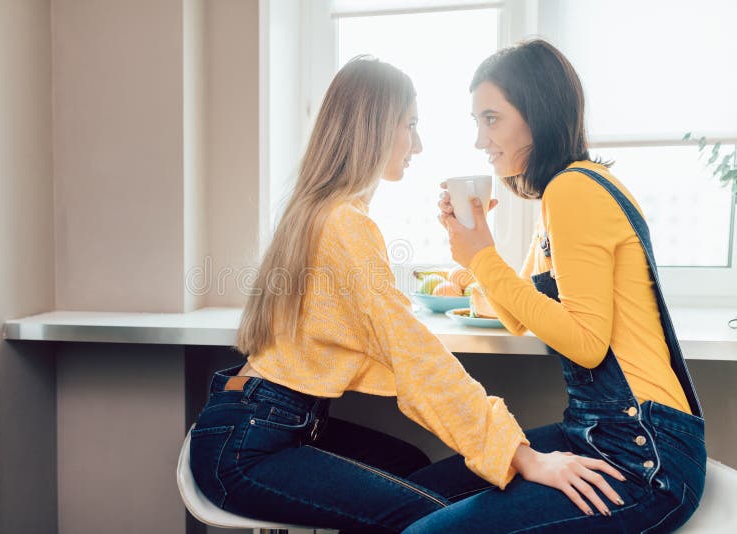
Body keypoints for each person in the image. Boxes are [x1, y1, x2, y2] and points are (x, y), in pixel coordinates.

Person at [189, 56, 622, 533]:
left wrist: (478, 249)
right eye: (410, 126)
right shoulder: (344, 225)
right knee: (426, 517)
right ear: (374, 127)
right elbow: (417, 359)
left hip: (258, 420)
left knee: (411, 462)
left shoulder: (324, 210)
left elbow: (387, 335)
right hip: (250, 445)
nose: (417, 144)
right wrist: (521, 456)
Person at [403, 39, 706, 533]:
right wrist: (478, 246)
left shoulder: (574, 190)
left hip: (643, 454)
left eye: (491, 119)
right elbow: (517, 315)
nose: (481, 140)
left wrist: (481, 256)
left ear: (536, 114)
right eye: (476, 122)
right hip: (604, 432)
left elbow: (586, 344)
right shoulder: (559, 196)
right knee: (417, 494)